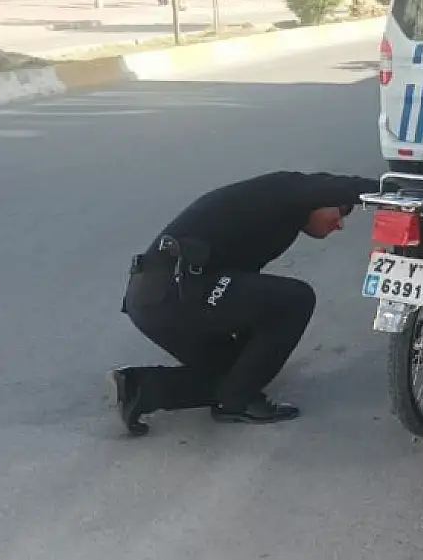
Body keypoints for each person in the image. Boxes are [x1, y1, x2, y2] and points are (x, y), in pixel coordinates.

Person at [110, 171, 379, 436]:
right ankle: (236, 402)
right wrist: (398, 189)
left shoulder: (280, 218)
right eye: (341, 212)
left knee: (239, 371)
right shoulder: (288, 190)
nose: (340, 224)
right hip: (174, 293)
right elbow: (338, 185)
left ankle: (140, 390)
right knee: (296, 300)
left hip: (155, 299)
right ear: (320, 197)